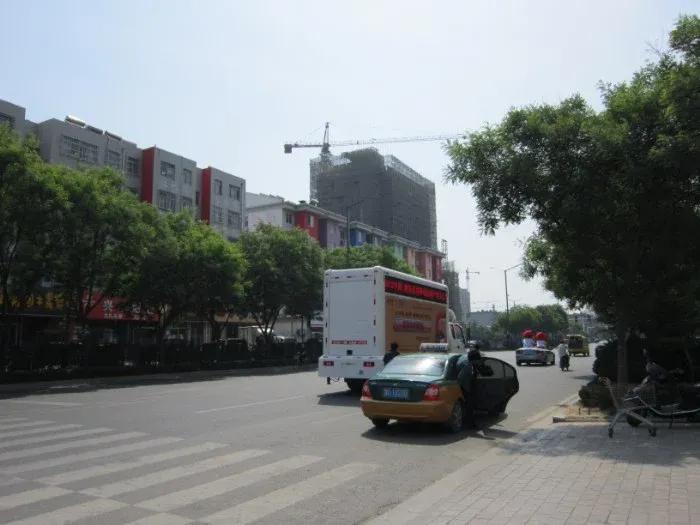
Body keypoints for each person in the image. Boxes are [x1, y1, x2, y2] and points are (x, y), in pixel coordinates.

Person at [455, 347, 492, 429]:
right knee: (469, 404)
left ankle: (468, 421)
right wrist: (460, 391)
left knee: (469, 404)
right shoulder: (467, 366)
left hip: (464, 385)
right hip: (463, 387)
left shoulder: (464, 357)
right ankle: (470, 424)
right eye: (478, 360)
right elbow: (460, 378)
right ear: (474, 360)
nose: (478, 361)